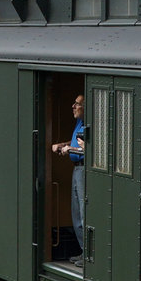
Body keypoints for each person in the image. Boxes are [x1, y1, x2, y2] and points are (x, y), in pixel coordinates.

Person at [51, 95, 86, 266]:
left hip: (84, 169)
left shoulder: (89, 123)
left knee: (84, 212)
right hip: (76, 169)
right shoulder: (79, 122)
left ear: (85, 107)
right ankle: (83, 251)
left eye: (77, 104)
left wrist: (70, 149)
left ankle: (89, 256)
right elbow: (76, 144)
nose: (73, 106)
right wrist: (62, 144)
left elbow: (90, 149)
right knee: (76, 213)